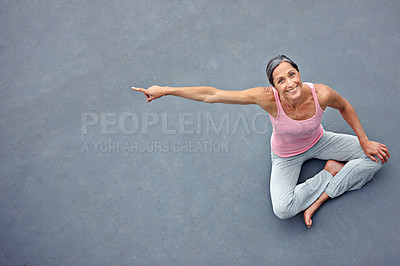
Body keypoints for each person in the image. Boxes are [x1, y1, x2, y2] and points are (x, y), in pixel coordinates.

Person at [132, 55, 390, 228]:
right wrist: (166, 90)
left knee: (376, 158)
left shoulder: (320, 93)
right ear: (274, 87)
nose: (290, 83)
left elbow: (344, 106)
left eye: (292, 74)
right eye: (281, 80)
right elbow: (212, 94)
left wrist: (364, 140)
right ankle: (329, 174)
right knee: (283, 209)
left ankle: (322, 196)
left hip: (321, 142)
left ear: (299, 73)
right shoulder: (267, 99)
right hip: (286, 156)